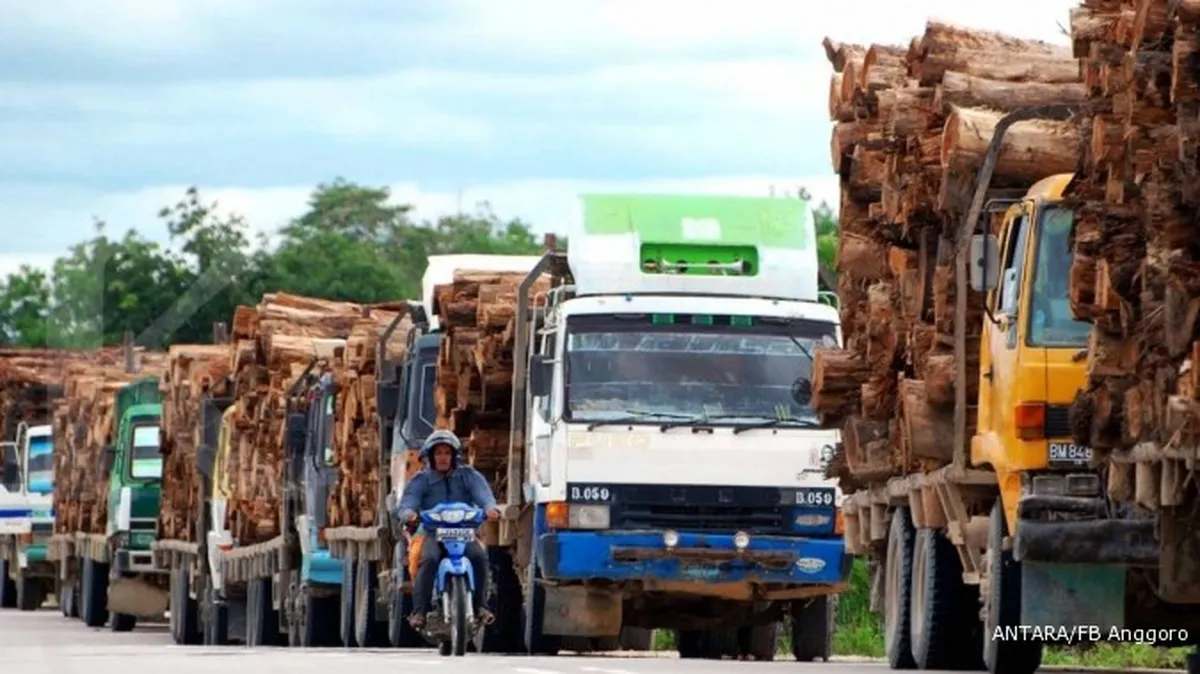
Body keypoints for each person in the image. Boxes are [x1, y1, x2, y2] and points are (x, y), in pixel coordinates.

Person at [396, 428, 499, 629]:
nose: (443, 458)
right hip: (432, 533)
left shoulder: (469, 475)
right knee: (429, 559)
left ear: (454, 456)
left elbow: (484, 496)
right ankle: (419, 611)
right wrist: (409, 513)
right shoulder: (421, 479)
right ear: (431, 457)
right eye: (438, 453)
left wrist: (490, 509)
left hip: (465, 533)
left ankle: (481, 606)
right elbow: (408, 502)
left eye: (447, 453)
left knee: (479, 557)